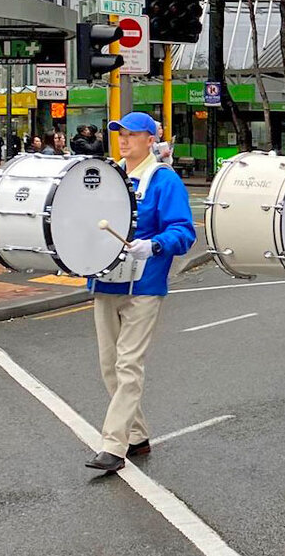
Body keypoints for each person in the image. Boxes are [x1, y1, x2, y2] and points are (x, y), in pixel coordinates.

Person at [84, 113, 197, 472]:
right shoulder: (108, 175)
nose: (124, 140)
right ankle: (137, 436)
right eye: (120, 134)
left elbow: (184, 231)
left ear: (151, 139)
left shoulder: (164, 180)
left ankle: (113, 445)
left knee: (128, 364)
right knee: (109, 367)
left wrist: (154, 245)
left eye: (133, 135)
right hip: (106, 281)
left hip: (144, 286)